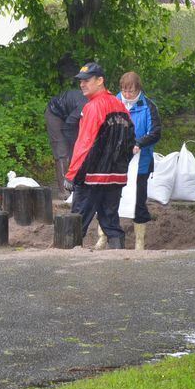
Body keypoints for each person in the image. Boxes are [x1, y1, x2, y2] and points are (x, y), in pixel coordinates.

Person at [64, 62, 135, 249]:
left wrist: (72, 175)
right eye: (80, 81)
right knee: (111, 222)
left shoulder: (93, 107)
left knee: (77, 221)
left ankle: (66, 260)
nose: (82, 84)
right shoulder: (120, 106)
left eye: (87, 80)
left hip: (92, 176)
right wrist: (120, 167)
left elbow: (84, 144)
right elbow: (130, 141)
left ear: (100, 80)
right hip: (115, 177)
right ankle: (118, 258)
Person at [117, 72, 161, 224]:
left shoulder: (149, 106)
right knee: (111, 199)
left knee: (138, 200)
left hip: (141, 162)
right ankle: (107, 235)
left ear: (139, 90)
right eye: (124, 91)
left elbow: (155, 133)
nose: (128, 95)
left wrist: (138, 143)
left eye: (132, 91)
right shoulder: (113, 102)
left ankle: (139, 240)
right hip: (115, 161)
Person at [44, 87, 87, 193]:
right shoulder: (83, 106)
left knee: (78, 149)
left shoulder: (96, 107)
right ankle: (65, 191)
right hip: (55, 113)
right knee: (62, 151)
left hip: (70, 115)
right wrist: (75, 146)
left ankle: (78, 186)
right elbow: (69, 127)